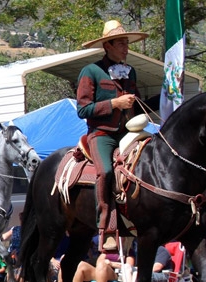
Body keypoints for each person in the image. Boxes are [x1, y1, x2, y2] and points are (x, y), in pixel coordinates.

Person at [77, 20, 148, 252]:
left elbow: (137, 105)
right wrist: (114, 103)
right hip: (101, 134)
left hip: (129, 132)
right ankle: (105, 226)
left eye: (127, 43)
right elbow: (82, 110)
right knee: (105, 172)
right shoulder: (91, 71)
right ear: (107, 45)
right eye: (121, 43)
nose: (126, 48)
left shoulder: (131, 72)